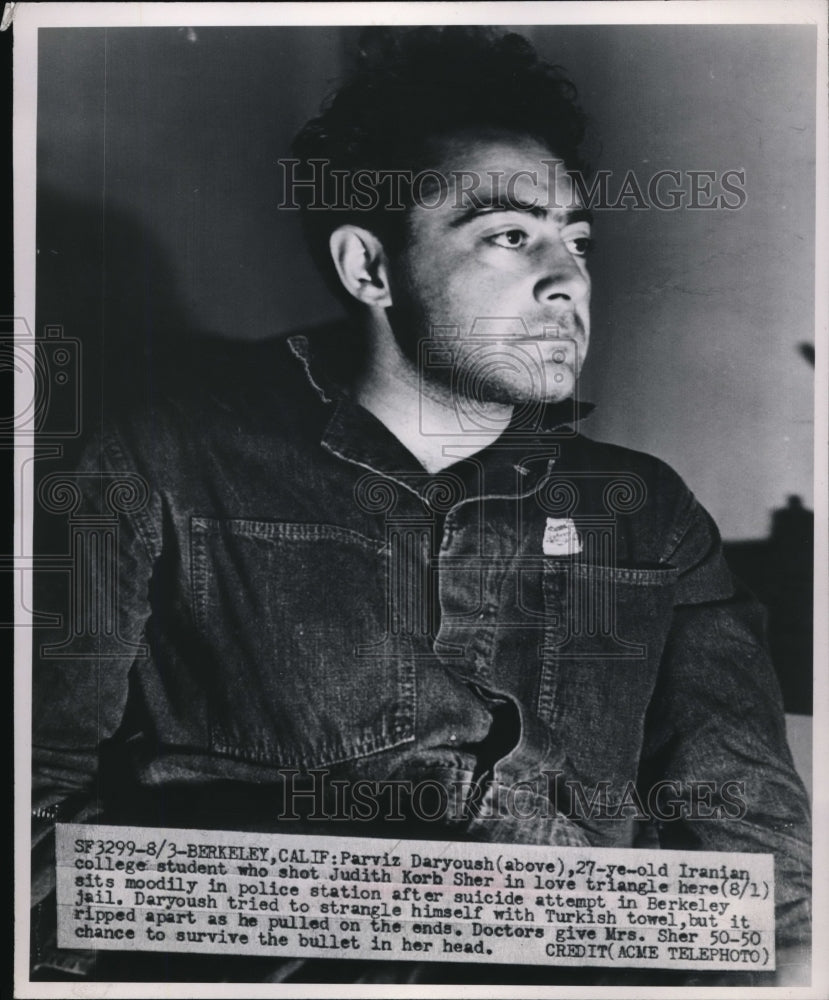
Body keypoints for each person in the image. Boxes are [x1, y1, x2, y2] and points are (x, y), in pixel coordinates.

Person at [31, 26, 811, 986]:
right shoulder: (160, 460)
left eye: (576, 239)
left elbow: (745, 834)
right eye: (508, 236)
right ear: (370, 269)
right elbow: (34, 787)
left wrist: (771, 965)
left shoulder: (646, 512)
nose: (567, 277)